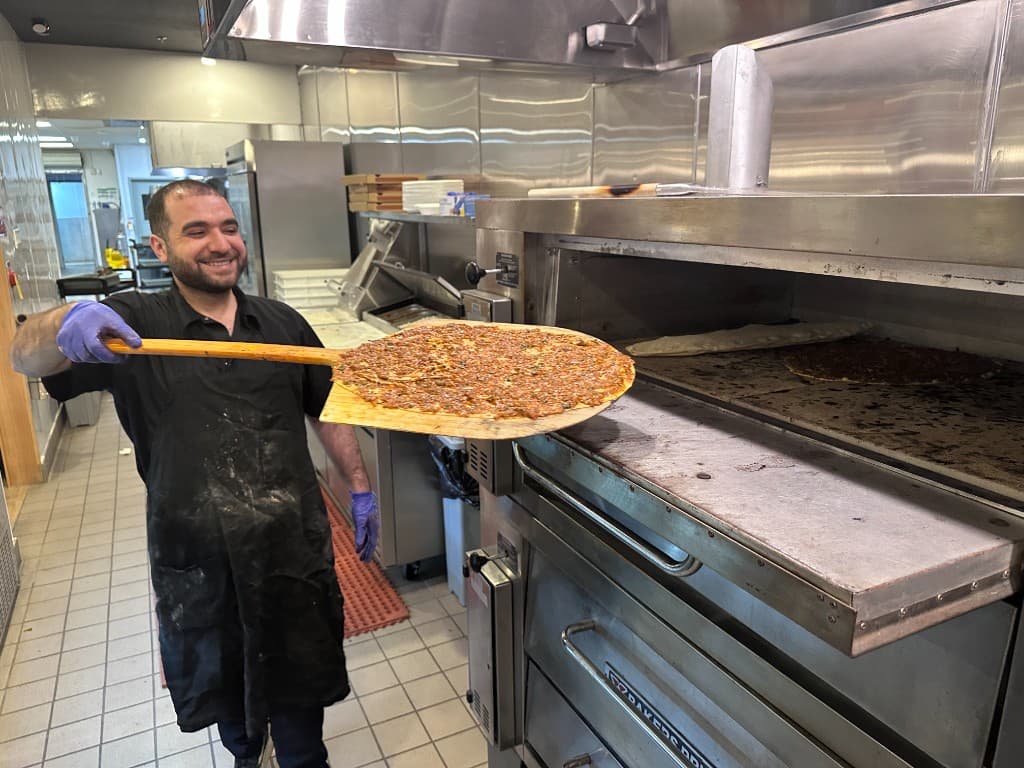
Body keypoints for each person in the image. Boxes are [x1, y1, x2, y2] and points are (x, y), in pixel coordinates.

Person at [10, 180, 380, 768]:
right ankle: (244, 753)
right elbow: (24, 355)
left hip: (292, 551)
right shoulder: (132, 326)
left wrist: (359, 486)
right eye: (197, 231)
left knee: (302, 710)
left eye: (228, 227)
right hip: (201, 558)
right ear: (160, 246)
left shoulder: (282, 323)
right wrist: (65, 321)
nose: (220, 243)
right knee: (231, 708)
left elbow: (327, 407)